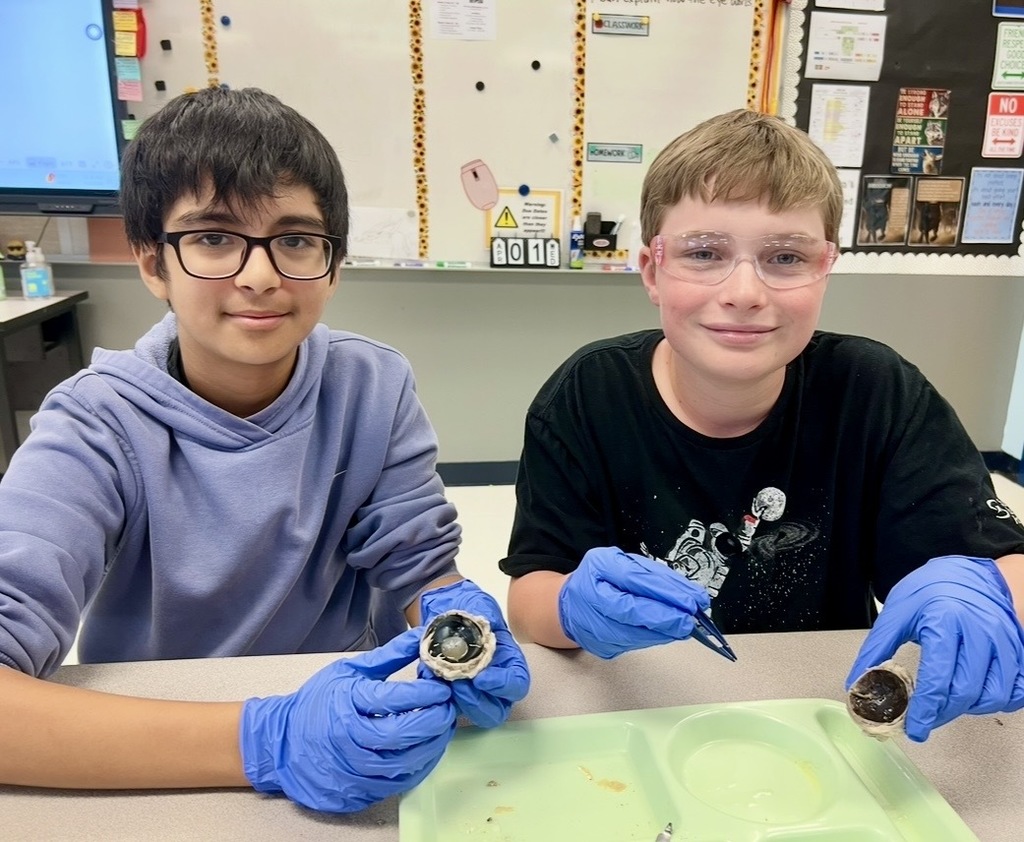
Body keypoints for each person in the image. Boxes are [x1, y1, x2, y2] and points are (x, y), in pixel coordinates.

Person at [0, 86, 528, 813]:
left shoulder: (372, 386)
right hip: (151, 755)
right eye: (213, 237)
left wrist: (456, 621)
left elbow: (419, 571)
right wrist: (264, 739)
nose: (260, 275)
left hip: (355, 734)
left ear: (333, 263)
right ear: (153, 262)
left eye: (295, 239)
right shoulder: (97, 424)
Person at [500, 108, 1024, 743]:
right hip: (642, 706)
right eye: (703, 253)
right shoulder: (585, 396)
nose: (745, 291)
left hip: (818, 711)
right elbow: (529, 601)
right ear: (650, 270)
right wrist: (571, 608)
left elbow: (1005, 564)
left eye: (784, 257)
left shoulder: (874, 391)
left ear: (824, 268)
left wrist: (984, 594)